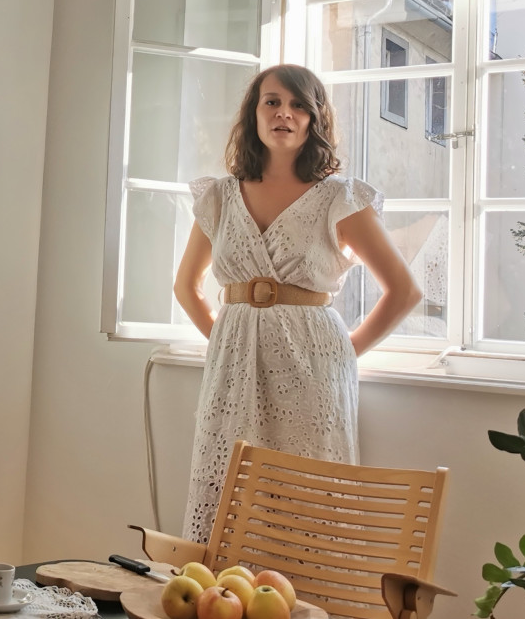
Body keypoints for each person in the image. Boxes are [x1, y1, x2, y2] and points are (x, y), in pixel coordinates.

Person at [173, 64, 423, 543]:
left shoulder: (338, 198)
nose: (283, 113)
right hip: (232, 366)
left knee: (305, 492)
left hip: (313, 365)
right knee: (226, 489)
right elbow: (186, 286)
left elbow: (404, 290)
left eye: (298, 105)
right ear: (254, 113)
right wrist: (226, 340)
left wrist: (344, 352)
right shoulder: (220, 197)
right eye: (271, 102)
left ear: (314, 118)